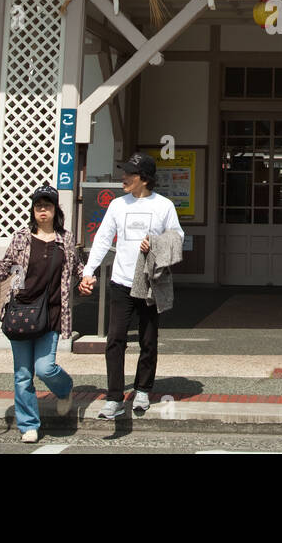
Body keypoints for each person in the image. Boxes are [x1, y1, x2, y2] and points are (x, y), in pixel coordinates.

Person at [0, 184, 92, 444]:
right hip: (22, 312)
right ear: (33, 210)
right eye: (38, 206)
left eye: (47, 205)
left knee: (45, 368)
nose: (43, 210)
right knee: (23, 374)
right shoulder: (22, 237)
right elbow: (5, 269)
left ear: (55, 209)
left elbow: (78, 267)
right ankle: (29, 424)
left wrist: (85, 280)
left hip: (52, 313)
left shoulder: (66, 239)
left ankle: (64, 388)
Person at [79, 152, 184, 419]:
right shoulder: (117, 205)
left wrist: (156, 244)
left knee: (148, 340)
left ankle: (143, 390)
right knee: (115, 339)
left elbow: (178, 237)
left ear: (145, 179)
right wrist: (89, 270)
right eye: (124, 172)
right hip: (121, 282)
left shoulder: (164, 206)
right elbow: (103, 238)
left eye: (129, 174)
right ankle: (114, 396)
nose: (123, 178)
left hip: (149, 283)